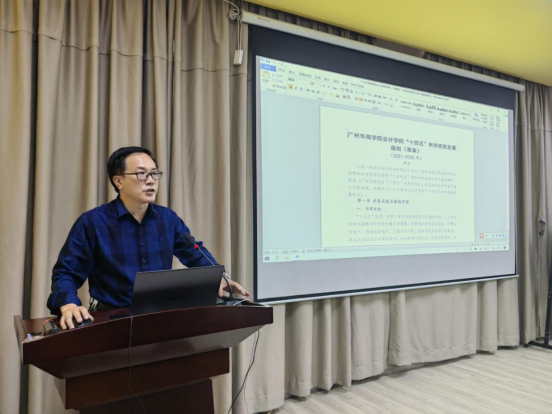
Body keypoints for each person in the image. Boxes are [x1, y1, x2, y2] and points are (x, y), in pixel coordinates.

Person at [47, 146, 249, 330]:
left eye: (154, 174)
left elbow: (195, 251)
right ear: (118, 181)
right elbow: (66, 272)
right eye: (141, 174)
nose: (151, 180)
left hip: (162, 318)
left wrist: (217, 276)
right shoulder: (93, 222)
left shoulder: (167, 219)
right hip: (112, 319)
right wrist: (68, 303)